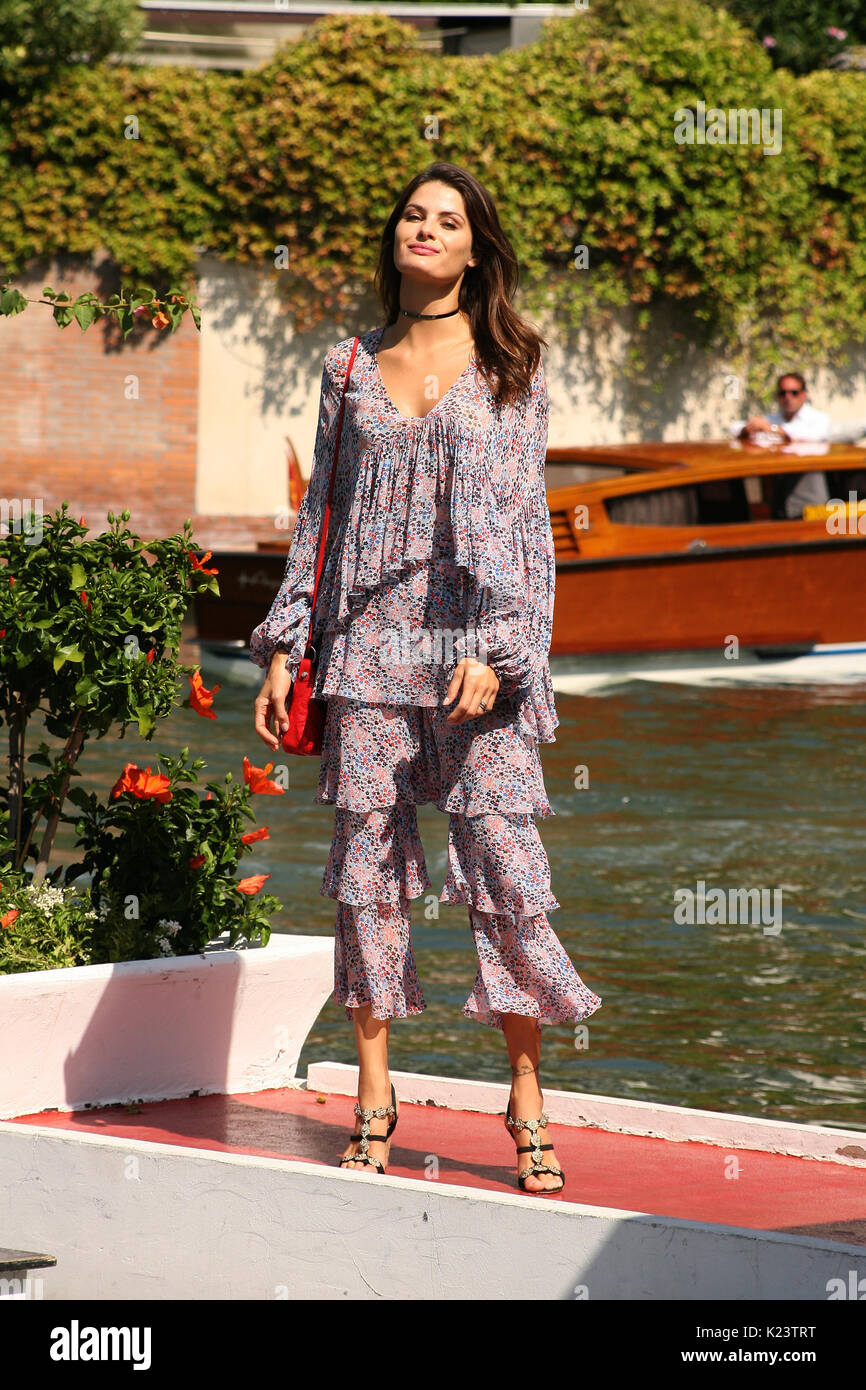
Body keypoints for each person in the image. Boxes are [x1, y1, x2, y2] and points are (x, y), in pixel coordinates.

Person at [250, 161, 602, 1196]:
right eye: (411, 212)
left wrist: (502, 652)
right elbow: (321, 515)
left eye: (447, 220)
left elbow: (521, 529)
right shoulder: (348, 363)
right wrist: (287, 644)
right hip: (364, 646)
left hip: (470, 655)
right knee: (366, 870)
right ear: (395, 237)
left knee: (500, 861)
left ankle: (525, 1095)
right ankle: (374, 1092)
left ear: (474, 248)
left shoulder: (511, 362)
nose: (425, 228)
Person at [730, 372, 831, 518]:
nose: (788, 397)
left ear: (804, 395)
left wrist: (773, 430)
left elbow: (813, 436)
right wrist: (748, 429)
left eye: (794, 392)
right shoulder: (773, 419)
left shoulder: (818, 418)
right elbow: (735, 428)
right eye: (783, 393)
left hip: (810, 499)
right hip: (780, 500)